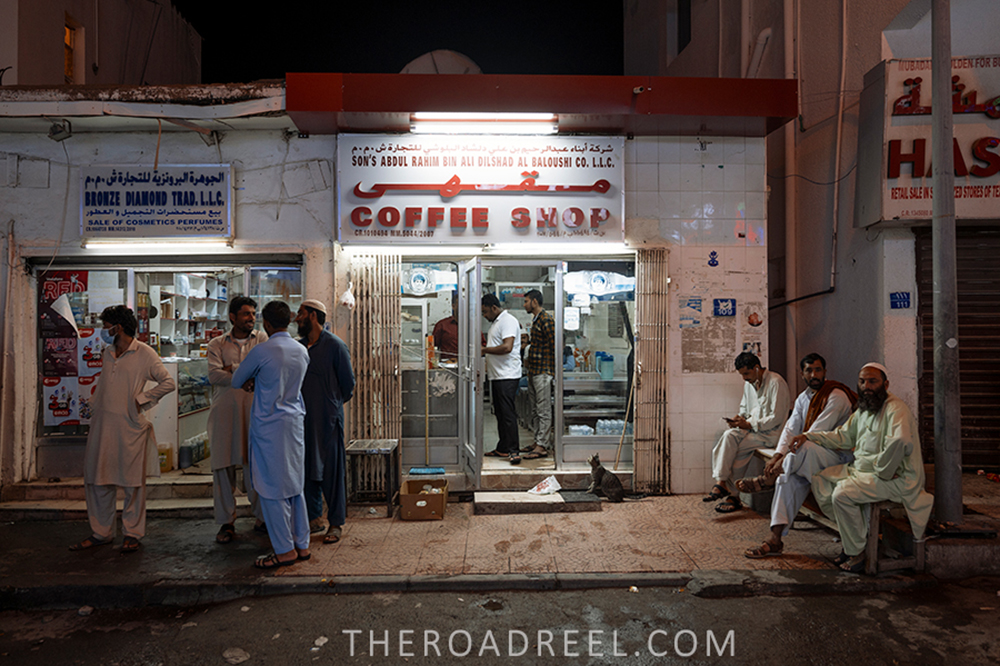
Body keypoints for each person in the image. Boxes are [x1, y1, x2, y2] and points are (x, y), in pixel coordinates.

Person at [789, 363, 935, 573]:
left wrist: (884, 469)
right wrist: (808, 436)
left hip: (895, 477)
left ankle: (857, 551)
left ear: (885, 384)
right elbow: (843, 437)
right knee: (821, 479)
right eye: (862, 381)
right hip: (862, 471)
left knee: (841, 494)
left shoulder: (895, 408)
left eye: (872, 381)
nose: (866, 386)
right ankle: (856, 540)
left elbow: (901, 441)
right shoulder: (865, 409)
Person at [70, 305, 176, 553]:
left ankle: (132, 533)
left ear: (118, 327)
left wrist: (141, 400)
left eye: (106, 325)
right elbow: (105, 383)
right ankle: (101, 532)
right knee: (98, 481)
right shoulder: (108, 352)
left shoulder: (145, 353)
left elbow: (168, 382)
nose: (103, 330)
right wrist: (92, 405)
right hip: (102, 426)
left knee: (132, 485)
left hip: (130, 427)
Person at [739, 353, 857, 558]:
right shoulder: (804, 397)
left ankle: (766, 481)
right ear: (802, 373)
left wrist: (783, 459)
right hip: (809, 457)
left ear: (825, 372)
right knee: (787, 479)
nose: (814, 374)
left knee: (804, 448)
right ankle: (774, 539)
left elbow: (816, 433)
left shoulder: (836, 396)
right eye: (809, 370)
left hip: (838, 456)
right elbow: (791, 428)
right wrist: (777, 456)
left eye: (818, 369)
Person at [231, 300, 311, 568]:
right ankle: (302, 544)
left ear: (266, 323)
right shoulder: (301, 351)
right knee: (294, 486)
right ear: (288, 321)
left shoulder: (262, 351)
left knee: (271, 489)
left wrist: (254, 380)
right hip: (294, 423)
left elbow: (235, 380)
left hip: (269, 427)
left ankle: (284, 550)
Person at [207, 296, 268, 544]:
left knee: (255, 467)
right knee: (222, 468)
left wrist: (231, 369)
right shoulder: (216, 343)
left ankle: (262, 518)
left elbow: (264, 369)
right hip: (224, 413)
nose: (251, 318)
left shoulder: (262, 339)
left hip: (254, 411)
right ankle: (226, 522)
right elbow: (213, 375)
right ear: (232, 317)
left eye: (253, 313)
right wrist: (244, 371)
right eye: (246, 314)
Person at [295, 299, 356, 545]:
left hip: (328, 420)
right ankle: (313, 519)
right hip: (301, 419)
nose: (296, 318)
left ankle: (336, 523)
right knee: (307, 470)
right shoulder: (298, 348)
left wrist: (330, 405)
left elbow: (348, 385)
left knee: (332, 471)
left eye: (300, 313)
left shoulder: (334, 345)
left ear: (312, 315)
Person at [704, 351, 790, 514]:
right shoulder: (749, 384)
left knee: (739, 450)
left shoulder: (776, 382)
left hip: (771, 435)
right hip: (752, 431)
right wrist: (739, 418)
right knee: (729, 436)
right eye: (742, 374)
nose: (744, 378)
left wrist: (749, 424)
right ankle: (721, 482)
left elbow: (776, 418)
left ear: (757, 368)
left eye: (746, 373)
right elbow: (744, 407)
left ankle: (732, 494)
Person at [481, 293, 522, 464]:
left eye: (485, 312)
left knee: (507, 414)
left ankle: (514, 450)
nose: (484, 315)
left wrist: (484, 350)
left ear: (494, 308)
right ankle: (503, 447)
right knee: (499, 412)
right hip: (498, 375)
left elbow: (507, 347)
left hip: (507, 375)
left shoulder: (507, 321)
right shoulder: (496, 323)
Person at [521, 289, 554, 460]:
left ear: (534, 302)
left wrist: (553, 371)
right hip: (534, 372)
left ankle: (542, 445)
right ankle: (537, 441)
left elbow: (555, 345)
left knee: (543, 410)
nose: (524, 304)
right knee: (534, 409)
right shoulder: (536, 320)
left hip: (543, 372)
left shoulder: (546, 319)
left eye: (526, 301)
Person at [432, 293, 460, 362]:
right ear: (453, 306)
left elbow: (481, 347)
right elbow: (432, 347)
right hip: (447, 365)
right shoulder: (442, 325)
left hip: (468, 366)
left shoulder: (473, 327)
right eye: (460, 306)